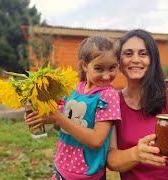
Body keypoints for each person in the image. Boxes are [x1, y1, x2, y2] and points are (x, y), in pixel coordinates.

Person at [107, 29, 168, 179]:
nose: (135, 59)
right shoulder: (112, 101)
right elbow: (112, 161)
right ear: (118, 61)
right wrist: (136, 154)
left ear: (153, 60)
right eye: (128, 53)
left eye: (143, 53)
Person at [25, 36, 121, 180]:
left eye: (112, 68)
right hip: (61, 167)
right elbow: (62, 127)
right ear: (84, 65)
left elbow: (96, 141)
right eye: (99, 68)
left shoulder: (108, 96)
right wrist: (44, 117)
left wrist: (58, 117)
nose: (106, 76)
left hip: (87, 175)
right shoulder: (72, 90)